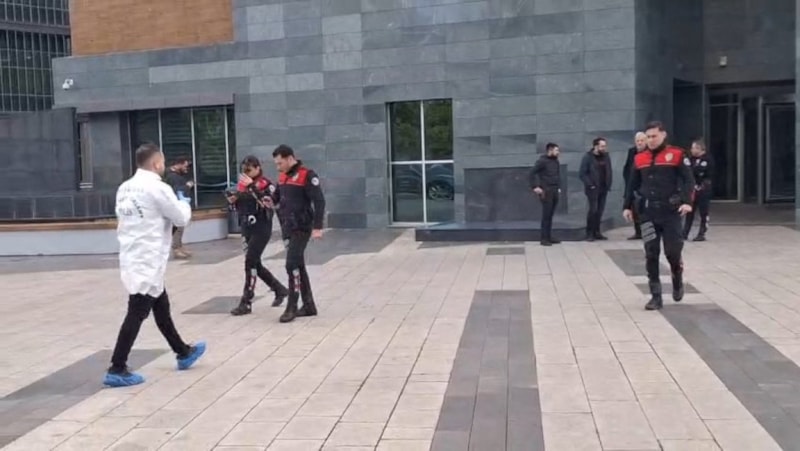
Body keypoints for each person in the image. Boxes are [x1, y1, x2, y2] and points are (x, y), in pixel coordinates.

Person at [105, 143, 206, 387]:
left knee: (161, 306)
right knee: (137, 310)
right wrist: (184, 202)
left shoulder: (124, 188)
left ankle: (183, 351)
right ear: (156, 163)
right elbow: (181, 218)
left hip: (133, 255)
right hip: (148, 258)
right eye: (162, 161)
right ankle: (117, 367)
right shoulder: (158, 187)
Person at [623, 121, 695, 311]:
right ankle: (655, 296)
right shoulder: (640, 158)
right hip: (648, 213)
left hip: (671, 212)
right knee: (651, 253)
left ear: (663, 135)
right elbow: (632, 184)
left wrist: (687, 201)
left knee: (673, 252)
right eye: (648, 137)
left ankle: (677, 277)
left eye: (654, 136)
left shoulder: (677, 154)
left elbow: (688, 180)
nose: (651, 140)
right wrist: (627, 206)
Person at [227, 156, 289, 316]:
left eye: (249, 170)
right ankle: (279, 289)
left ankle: (246, 301)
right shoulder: (242, 185)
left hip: (261, 228)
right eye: (244, 170)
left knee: (250, 262)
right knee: (255, 264)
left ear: (257, 168)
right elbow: (240, 206)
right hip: (246, 227)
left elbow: (267, 203)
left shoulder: (266, 184)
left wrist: (252, 187)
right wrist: (234, 199)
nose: (246, 173)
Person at [272, 145, 325, 323]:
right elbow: (276, 198)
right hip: (287, 226)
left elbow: (319, 201)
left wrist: (317, 227)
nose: (278, 167)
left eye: (280, 163)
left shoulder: (307, 175)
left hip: (301, 226)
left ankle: (292, 306)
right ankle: (309, 305)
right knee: (298, 266)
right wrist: (267, 200)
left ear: (290, 158)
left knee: (291, 264)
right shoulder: (283, 177)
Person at [579, 137, 612, 241]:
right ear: (596, 146)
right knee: (593, 210)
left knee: (600, 211)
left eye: (605, 146)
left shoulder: (606, 156)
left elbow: (609, 170)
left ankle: (597, 232)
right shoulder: (588, 157)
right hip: (593, 189)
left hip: (603, 188)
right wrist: (590, 184)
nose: (604, 148)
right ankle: (589, 233)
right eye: (602, 146)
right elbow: (582, 173)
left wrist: (608, 183)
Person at [529, 142, 562, 246]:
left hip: (555, 190)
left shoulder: (556, 161)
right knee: (546, 215)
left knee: (551, 215)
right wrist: (535, 186)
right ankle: (544, 238)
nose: (558, 152)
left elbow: (557, 175)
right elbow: (531, 173)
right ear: (550, 150)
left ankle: (549, 236)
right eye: (556, 150)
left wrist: (559, 187)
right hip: (546, 191)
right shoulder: (542, 161)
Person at [682, 139, 714, 242]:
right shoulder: (690, 159)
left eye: (695, 148)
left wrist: (695, 170)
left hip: (703, 189)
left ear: (700, 149)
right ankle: (684, 233)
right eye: (692, 148)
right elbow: (687, 171)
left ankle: (702, 233)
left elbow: (701, 171)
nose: (692, 150)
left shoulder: (707, 159)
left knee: (703, 212)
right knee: (689, 212)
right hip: (693, 189)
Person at [164, 157, 194, 259]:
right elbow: (176, 190)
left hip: (177, 203)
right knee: (178, 226)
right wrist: (187, 186)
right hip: (176, 204)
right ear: (179, 164)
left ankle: (179, 246)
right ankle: (176, 248)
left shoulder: (174, 175)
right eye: (185, 166)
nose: (186, 169)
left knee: (180, 226)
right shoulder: (172, 177)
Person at [623, 132, 648, 240]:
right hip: (633, 185)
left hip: (645, 185)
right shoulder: (632, 152)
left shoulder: (649, 152)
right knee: (635, 209)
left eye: (642, 140)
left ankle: (647, 232)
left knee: (645, 211)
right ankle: (638, 232)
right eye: (637, 141)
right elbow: (627, 168)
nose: (639, 143)